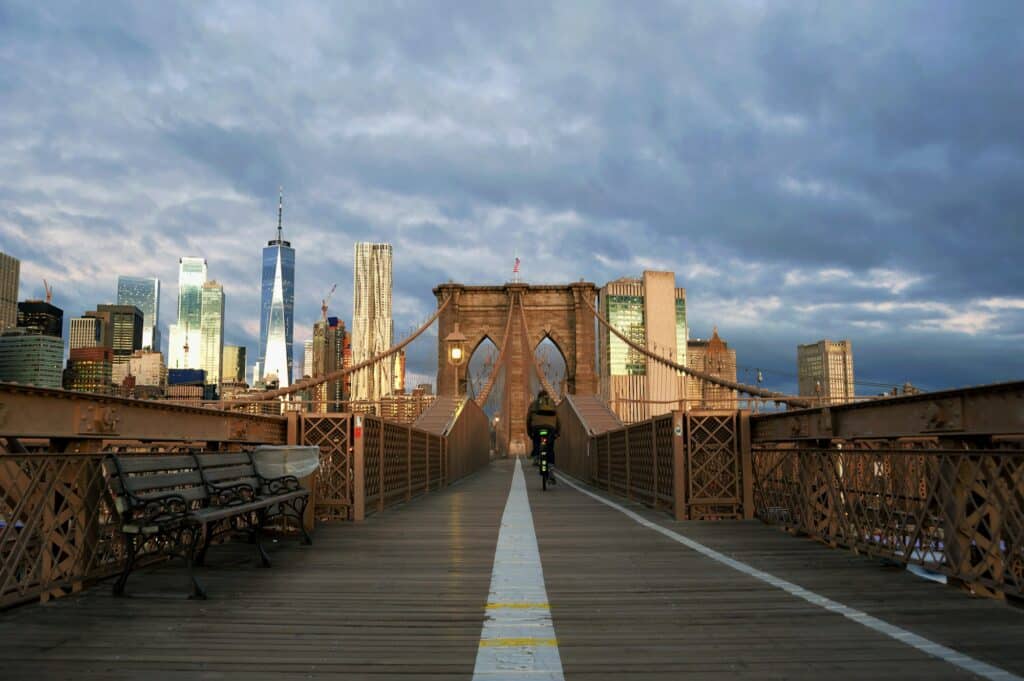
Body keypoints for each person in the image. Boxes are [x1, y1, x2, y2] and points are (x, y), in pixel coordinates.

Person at [527, 390, 560, 483]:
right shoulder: (552, 403)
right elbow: (558, 419)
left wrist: (529, 432)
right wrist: (558, 432)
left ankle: (537, 456)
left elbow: (528, 419)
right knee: (550, 449)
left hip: (537, 428)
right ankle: (551, 469)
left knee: (536, 439)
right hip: (550, 428)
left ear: (538, 397)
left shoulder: (533, 404)